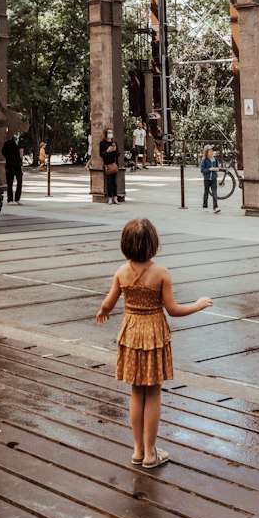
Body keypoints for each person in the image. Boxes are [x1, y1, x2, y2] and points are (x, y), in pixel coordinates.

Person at [96, 217, 211, 469]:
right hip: (153, 333)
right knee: (153, 391)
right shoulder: (161, 273)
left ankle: (137, 450)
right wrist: (198, 305)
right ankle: (150, 452)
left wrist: (103, 311)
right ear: (153, 245)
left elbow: (108, 302)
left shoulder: (122, 272)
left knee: (136, 391)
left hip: (131, 332)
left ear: (125, 244)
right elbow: (173, 310)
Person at [99, 127, 121, 204]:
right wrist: (107, 151)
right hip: (107, 165)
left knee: (114, 182)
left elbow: (118, 154)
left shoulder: (114, 143)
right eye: (108, 133)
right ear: (106, 134)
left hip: (114, 164)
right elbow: (101, 154)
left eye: (111, 133)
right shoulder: (102, 143)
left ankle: (115, 197)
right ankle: (109, 198)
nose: (110, 134)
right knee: (109, 182)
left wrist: (114, 150)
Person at [2, 133, 23, 205]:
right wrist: (9, 158)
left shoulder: (20, 143)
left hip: (18, 165)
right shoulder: (7, 143)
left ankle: (17, 198)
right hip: (10, 165)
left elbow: (21, 154)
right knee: (10, 183)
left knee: (19, 181)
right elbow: (3, 152)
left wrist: (21, 162)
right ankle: (10, 199)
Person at [200, 146, 220, 213]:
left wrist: (217, 169)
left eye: (212, 151)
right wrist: (210, 169)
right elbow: (202, 170)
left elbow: (217, 167)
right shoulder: (204, 160)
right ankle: (205, 206)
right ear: (206, 153)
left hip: (214, 179)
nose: (211, 153)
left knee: (214, 193)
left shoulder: (215, 160)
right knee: (206, 193)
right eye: (210, 152)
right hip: (207, 179)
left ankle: (215, 207)